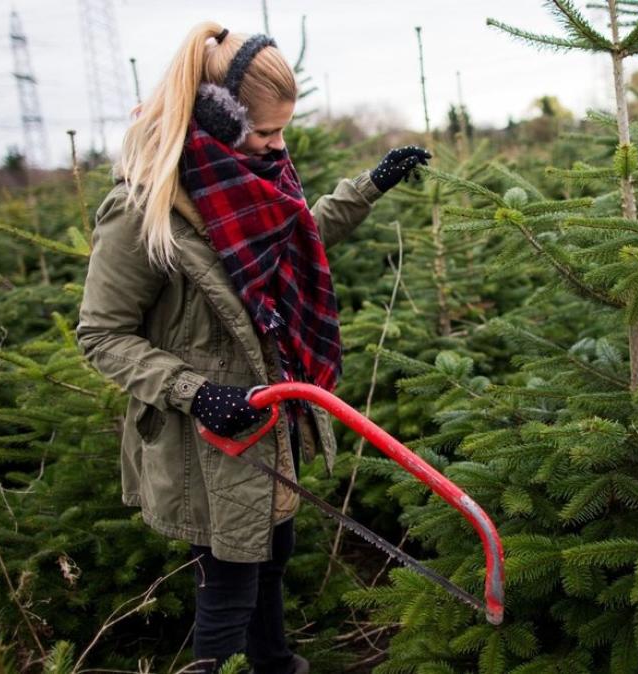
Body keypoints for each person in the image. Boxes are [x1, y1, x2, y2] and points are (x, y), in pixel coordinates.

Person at [76, 22, 430, 674]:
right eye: (266, 132)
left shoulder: (252, 179)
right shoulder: (141, 209)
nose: (279, 145)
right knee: (229, 586)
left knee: (273, 556)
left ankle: (275, 663)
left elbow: (297, 240)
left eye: (284, 130)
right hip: (211, 435)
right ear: (216, 115)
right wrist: (199, 393)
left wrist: (369, 186)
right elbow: (101, 336)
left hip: (272, 412)